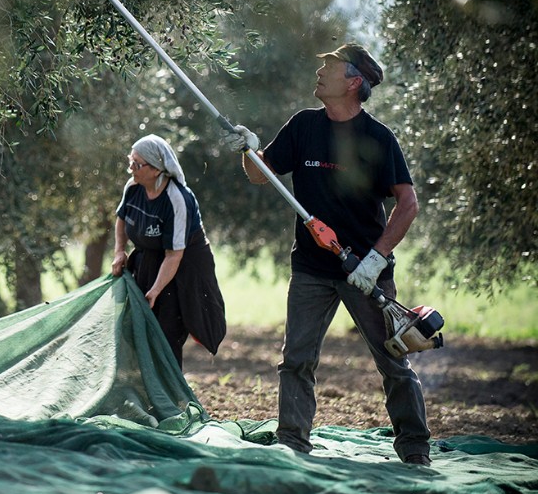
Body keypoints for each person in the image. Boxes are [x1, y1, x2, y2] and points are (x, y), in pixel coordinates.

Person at [223, 43, 432, 466]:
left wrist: (376, 259)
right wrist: (248, 149)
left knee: (394, 363)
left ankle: (415, 451)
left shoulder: (378, 139)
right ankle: (292, 445)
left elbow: (407, 203)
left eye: (330, 66)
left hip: (366, 272)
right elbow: (261, 174)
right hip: (312, 267)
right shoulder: (303, 126)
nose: (320, 70)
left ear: (354, 81)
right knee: (296, 360)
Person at [110, 134, 227, 366]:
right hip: (150, 257)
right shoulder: (133, 188)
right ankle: (143, 389)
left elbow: (174, 255)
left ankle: (169, 397)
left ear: (156, 169)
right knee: (139, 324)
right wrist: (119, 251)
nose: (130, 168)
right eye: (130, 161)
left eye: (136, 164)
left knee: (167, 329)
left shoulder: (177, 199)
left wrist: (155, 290)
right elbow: (121, 219)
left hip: (183, 266)